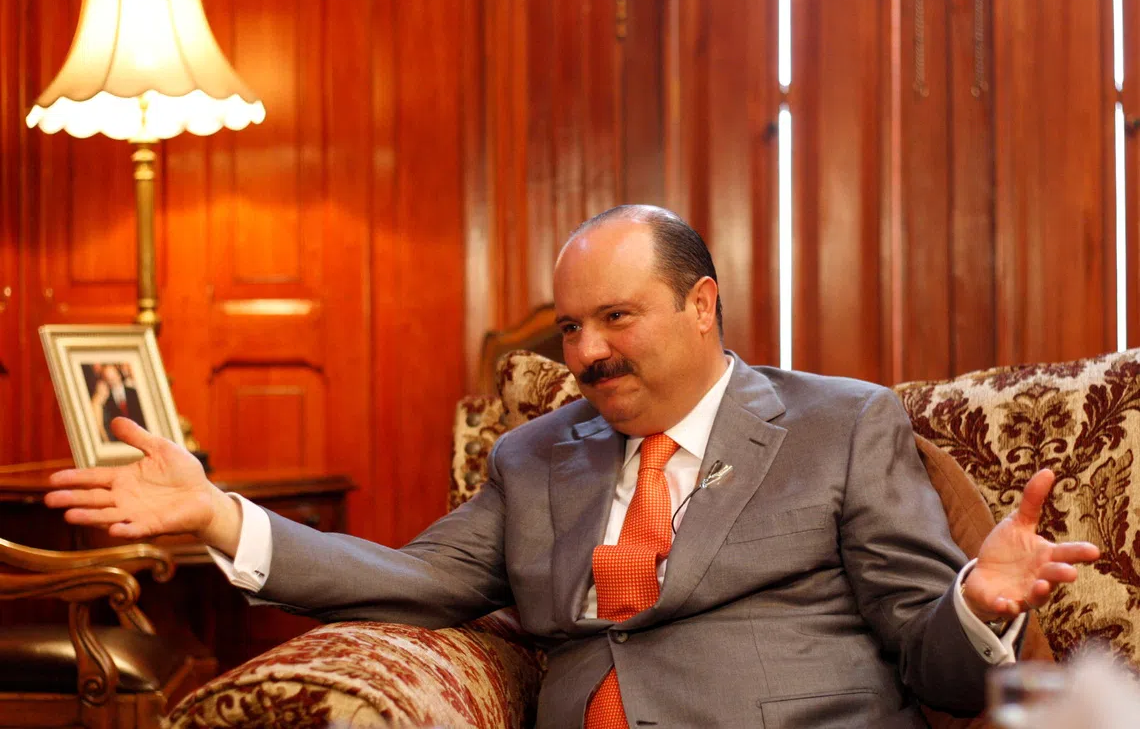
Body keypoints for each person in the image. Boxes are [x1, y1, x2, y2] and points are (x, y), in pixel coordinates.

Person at [45, 205, 1099, 728]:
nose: (585, 351)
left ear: (700, 304)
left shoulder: (843, 424)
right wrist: (223, 517)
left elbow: (939, 667)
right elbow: (413, 581)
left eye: (615, 317)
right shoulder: (534, 455)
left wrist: (979, 600)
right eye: (570, 326)